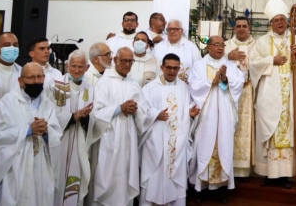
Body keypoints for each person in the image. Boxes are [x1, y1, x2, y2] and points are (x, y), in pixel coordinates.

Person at [249, 0, 296, 189]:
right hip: (269, 96)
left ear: (287, 21)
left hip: (290, 96)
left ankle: (284, 175)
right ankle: (268, 173)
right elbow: (253, 63)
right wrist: (271, 60)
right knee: (271, 132)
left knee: (288, 131)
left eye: (282, 19)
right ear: (271, 23)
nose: (280, 23)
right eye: (276, 20)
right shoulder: (263, 41)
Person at [0, 62, 62, 206]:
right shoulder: (7, 102)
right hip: (14, 165)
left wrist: (46, 131)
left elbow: (56, 133)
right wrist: (27, 131)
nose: (36, 81)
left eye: (39, 77)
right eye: (31, 78)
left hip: (41, 166)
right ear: (21, 80)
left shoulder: (48, 103)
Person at [90, 47, 149, 206]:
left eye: (131, 61)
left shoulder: (133, 83)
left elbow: (144, 108)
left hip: (128, 137)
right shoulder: (105, 82)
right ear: (115, 60)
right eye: (124, 60)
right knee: (108, 175)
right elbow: (97, 112)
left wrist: (137, 110)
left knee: (126, 174)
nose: (127, 64)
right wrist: (119, 109)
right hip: (110, 137)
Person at [189, 36, 245, 203]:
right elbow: (193, 85)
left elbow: (239, 82)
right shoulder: (199, 65)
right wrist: (211, 82)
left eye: (222, 45)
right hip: (206, 115)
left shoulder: (230, 65)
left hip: (224, 115)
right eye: (216, 45)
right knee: (204, 148)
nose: (220, 48)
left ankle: (220, 188)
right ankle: (201, 189)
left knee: (223, 147)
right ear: (208, 47)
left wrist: (226, 80)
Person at [139, 53, 200, 206]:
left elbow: (188, 108)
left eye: (175, 68)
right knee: (155, 176)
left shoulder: (184, 88)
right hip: (155, 142)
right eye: (169, 68)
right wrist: (155, 115)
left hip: (176, 144)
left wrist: (190, 114)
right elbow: (141, 111)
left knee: (174, 176)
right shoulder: (149, 88)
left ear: (179, 68)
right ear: (162, 67)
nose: (172, 71)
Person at [50, 50, 95, 206]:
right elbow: (48, 114)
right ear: (67, 65)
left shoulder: (91, 89)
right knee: (57, 180)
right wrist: (73, 117)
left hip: (79, 144)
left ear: (87, 68)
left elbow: (96, 119)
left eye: (80, 67)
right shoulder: (55, 86)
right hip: (59, 144)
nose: (76, 70)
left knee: (74, 182)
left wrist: (87, 117)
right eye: (73, 66)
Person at [224, 16, 256, 178]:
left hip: (250, 92)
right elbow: (215, 62)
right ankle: (229, 166)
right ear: (234, 29)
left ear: (249, 28)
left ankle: (245, 170)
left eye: (244, 26)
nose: (242, 29)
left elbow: (261, 63)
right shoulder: (226, 46)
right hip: (229, 93)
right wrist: (228, 57)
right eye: (238, 26)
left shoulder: (256, 45)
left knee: (247, 126)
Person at [153, 19, 202, 84]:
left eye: (175, 29)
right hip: (161, 86)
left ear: (181, 31)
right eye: (169, 29)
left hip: (183, 88)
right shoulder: (158, 47)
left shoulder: (191, 48)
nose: (172, 32)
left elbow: (199, 69)